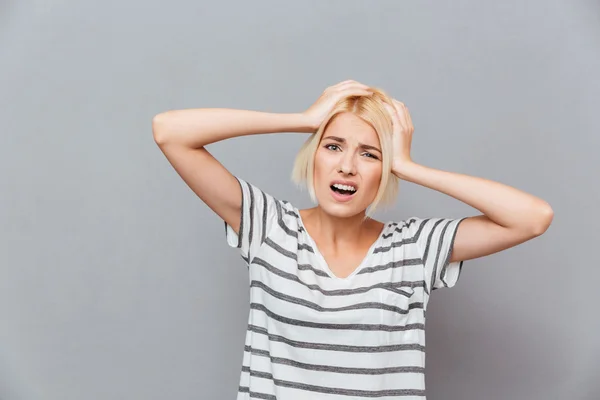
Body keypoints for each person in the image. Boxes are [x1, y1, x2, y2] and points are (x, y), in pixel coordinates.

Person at [152, 79, 553, 399]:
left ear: (384, 170)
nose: (346, 167)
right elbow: (168, 131)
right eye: (332, 146)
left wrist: (408, 166)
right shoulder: (269, 228)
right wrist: (303, 119)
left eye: (369, 154)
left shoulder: (413, 248)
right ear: (314, 156)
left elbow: (532, 218)